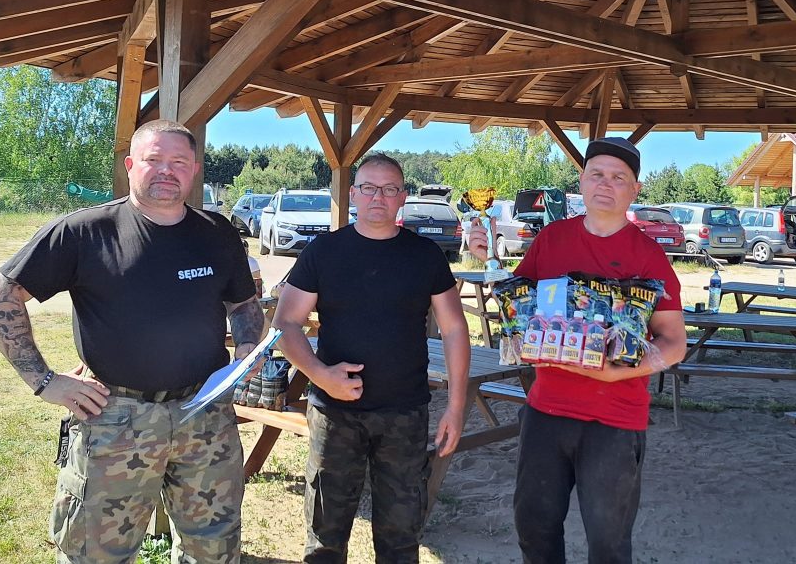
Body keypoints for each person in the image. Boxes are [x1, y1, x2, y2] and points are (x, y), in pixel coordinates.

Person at [0, 119, 265, 564]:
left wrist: (247, 347)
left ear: (194, 170)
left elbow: (244, 303)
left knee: (215, 548)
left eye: (179, 162)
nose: (166, 170)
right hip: (115, 418)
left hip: (206, 417)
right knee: (96, 553)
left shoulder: (217, 233)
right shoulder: (84, 231)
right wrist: (44, 381)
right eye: (154, 159)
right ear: (131, 166)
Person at [469, 136, 687, 564]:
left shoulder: (648, 256)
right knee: (533, 528)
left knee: (608, 544)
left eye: (618, 178)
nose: (605, 184)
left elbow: (674, 342)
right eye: (596, 174)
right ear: (582, 182)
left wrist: (616, 373)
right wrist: (488, 257)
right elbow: (519, 304)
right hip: (545, 411)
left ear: (635, 190)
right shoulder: (552, 239)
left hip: (614, 420)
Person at [274, 153, 471, 564]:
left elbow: (455, 329)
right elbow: (285, 324)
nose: (378, 197)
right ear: (353, 194)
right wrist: (320, 375)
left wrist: (455, 407)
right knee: (325, 536)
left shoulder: (425, 255)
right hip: (335, 413)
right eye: (368, 188)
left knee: (400, 537)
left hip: (404, 412)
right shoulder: (324, 251)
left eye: (388, 189)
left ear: (402, 196)